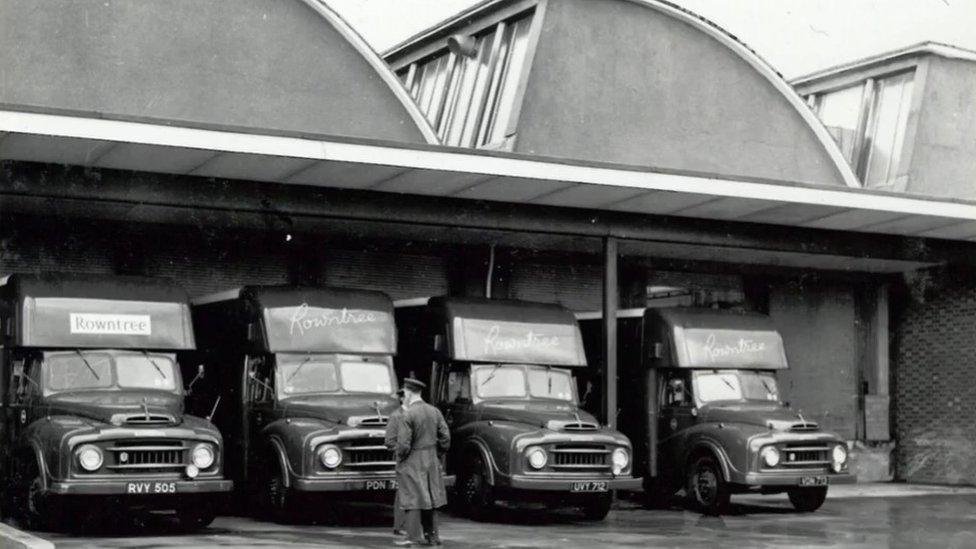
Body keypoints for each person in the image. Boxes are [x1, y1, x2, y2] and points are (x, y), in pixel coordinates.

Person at [393, 378, 450, 547]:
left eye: (405, 393)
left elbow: (403, 444)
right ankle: (432, 537)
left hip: (412, 459)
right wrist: (437, 453)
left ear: (409, 393)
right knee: (431, 497)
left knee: (412, 497)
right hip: (431, 458)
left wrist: (401, 458)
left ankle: (412, 537)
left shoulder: (408, 414)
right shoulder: (435, 411)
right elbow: (446, 438)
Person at [385, 388, 407, 540]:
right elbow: (389, 441)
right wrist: (403, 450)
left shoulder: (417, 413)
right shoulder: (396, 416)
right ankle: (399, 527)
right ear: (401, 398)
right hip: (404, 459)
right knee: (403, 492)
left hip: (416, 458)